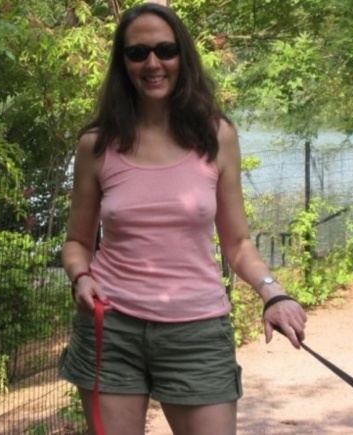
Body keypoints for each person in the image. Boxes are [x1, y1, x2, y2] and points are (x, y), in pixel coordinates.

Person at [58, 3, 307, 435]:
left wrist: (274, 294)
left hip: (197, 332)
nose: (152, 63)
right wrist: (80, 276)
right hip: (111, 328)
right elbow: (77, 242)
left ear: (182, 57)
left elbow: (238, 244)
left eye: (165, 50)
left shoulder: (217, 136)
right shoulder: (97, 145)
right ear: (123, 63)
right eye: (138, 53)